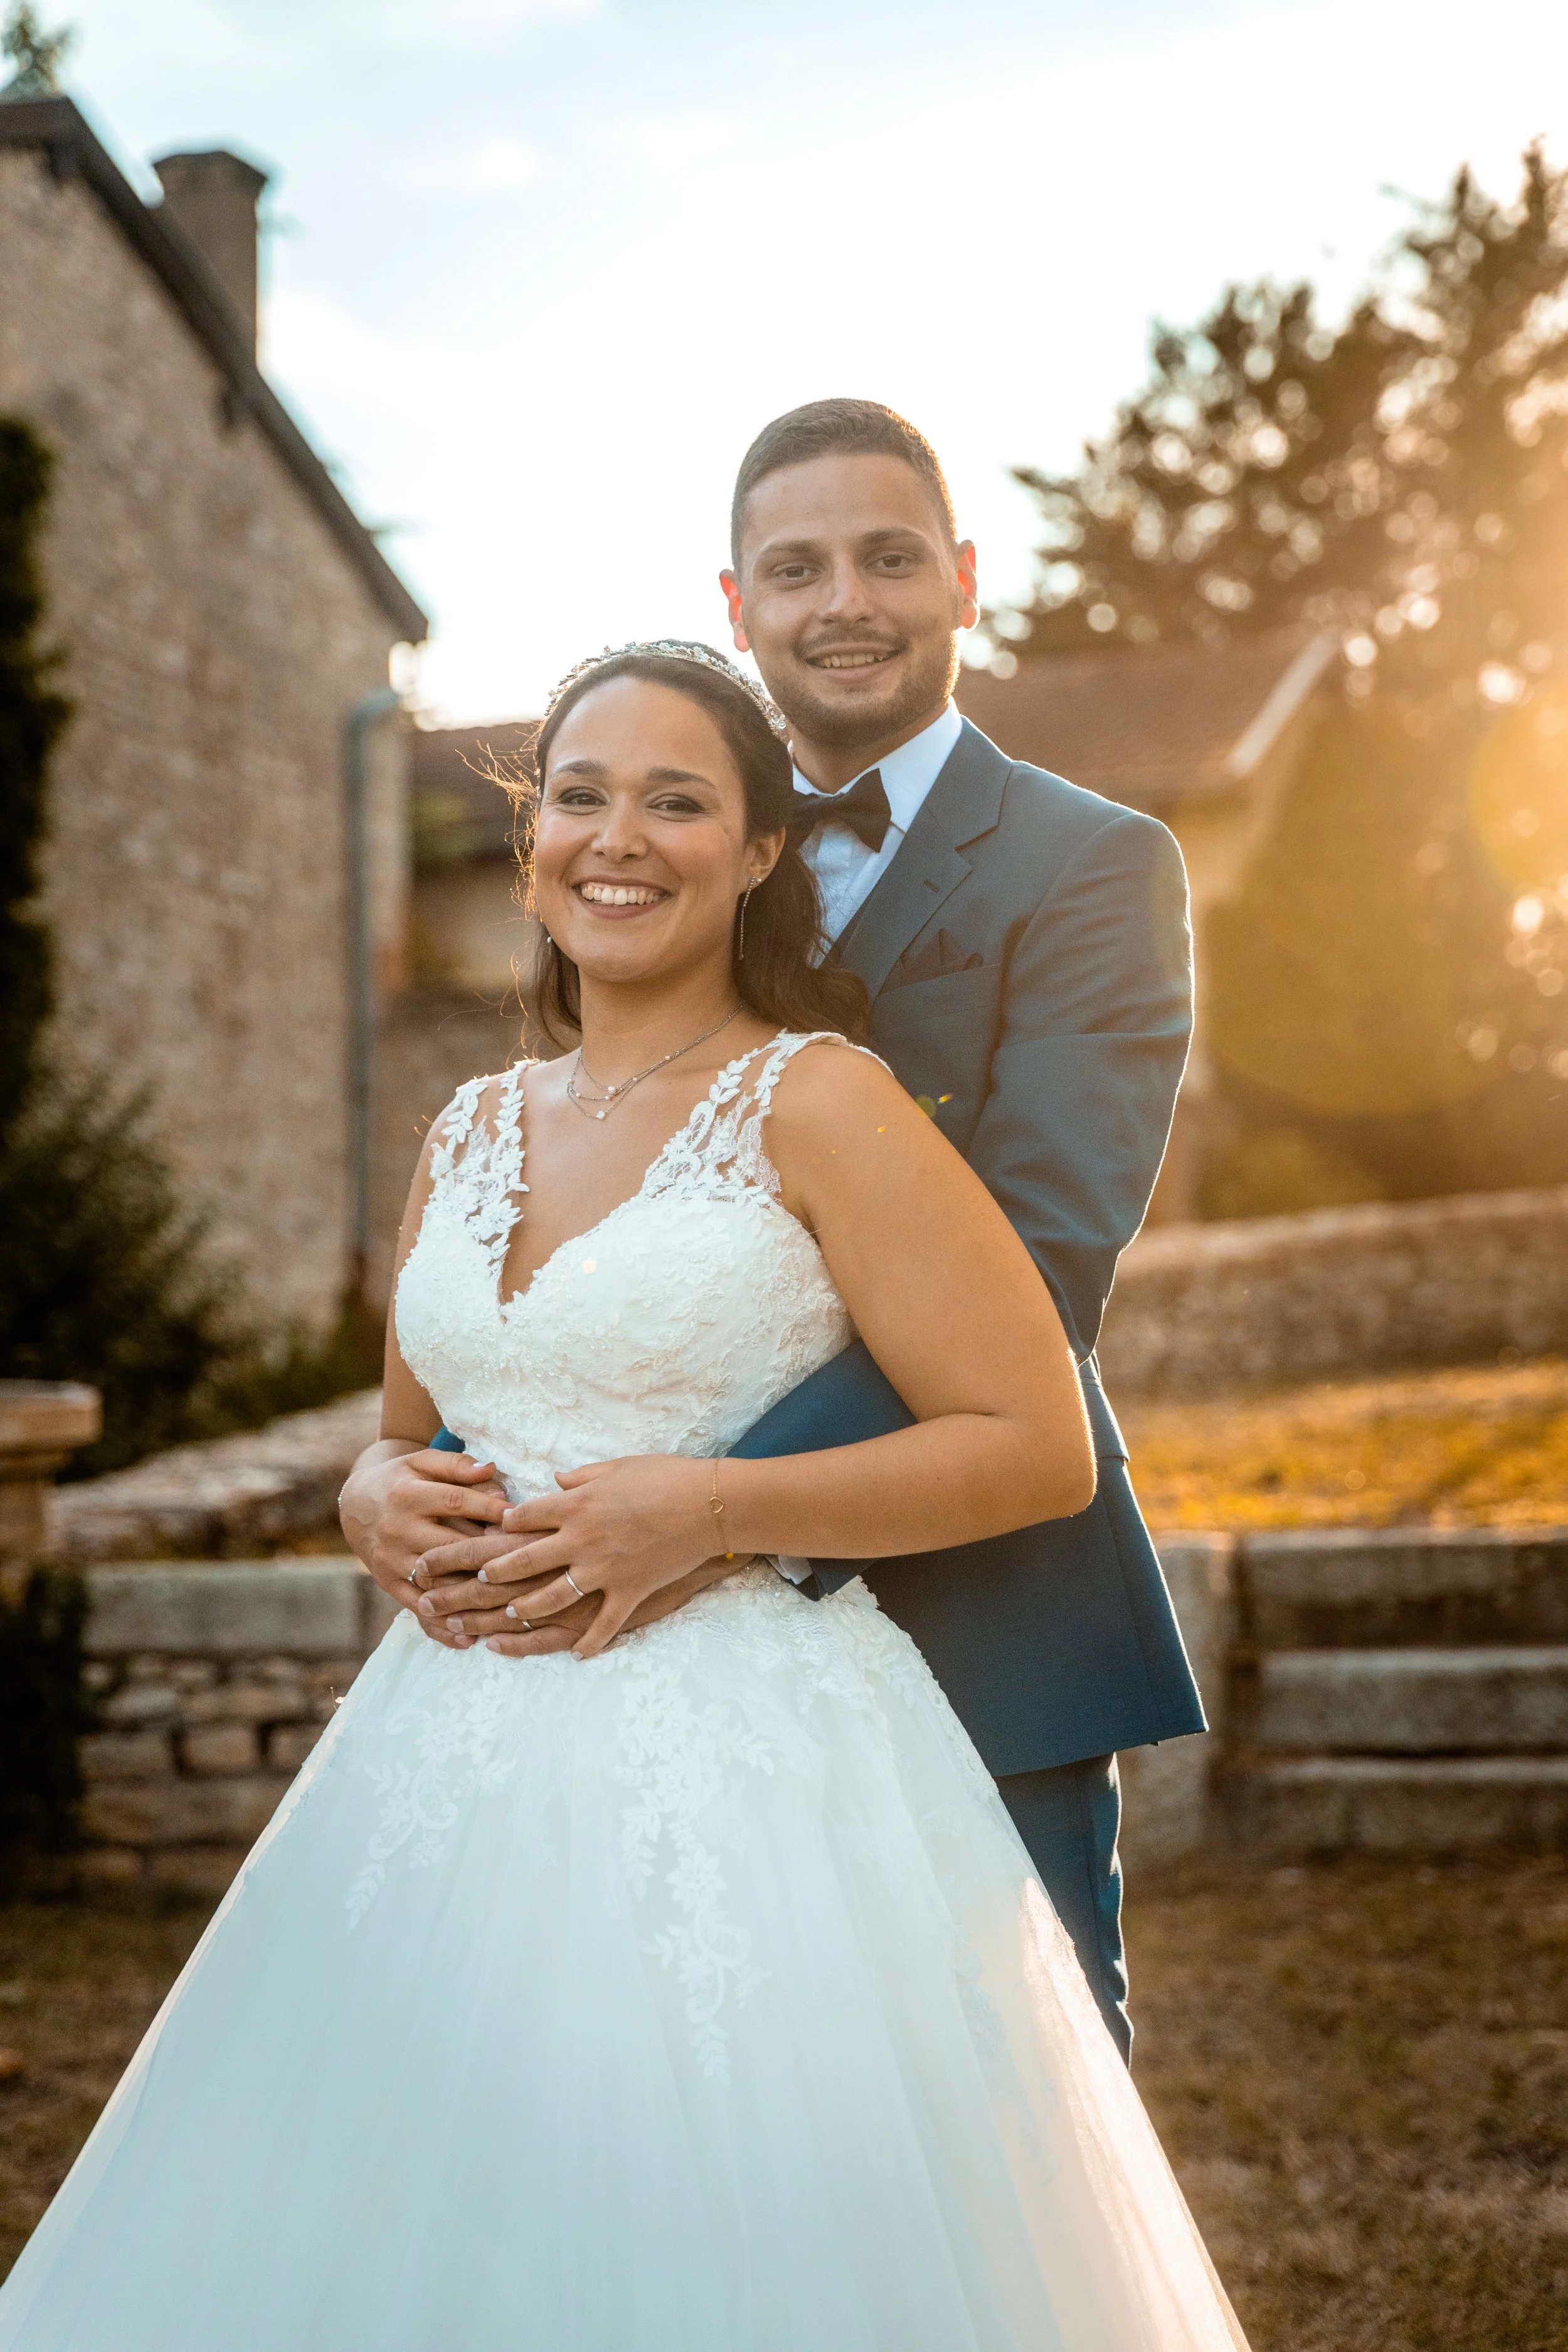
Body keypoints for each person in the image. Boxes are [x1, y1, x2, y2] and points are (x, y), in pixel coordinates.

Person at [0, 640, 1248, 2351]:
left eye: (678, 799)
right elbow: (415, 1428)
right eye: (579, 794)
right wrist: (373, 1488)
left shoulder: (820, 1100)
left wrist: (715, 1510)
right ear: (529, 845)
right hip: (438, 1770)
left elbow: (1036, 1438)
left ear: (755, 852)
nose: (619, 835)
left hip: (747, 1777)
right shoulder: (466, 1125)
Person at [342, 399, 1204, 2059]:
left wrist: (700, 1516)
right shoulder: (669, 851)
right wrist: (408, 1471)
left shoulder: (1089, 868)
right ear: (735, 601)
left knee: (999, 2117)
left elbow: (1041, 1255)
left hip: (968, 1601)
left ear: (961, 580)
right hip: (571, 1645)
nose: (843, 601)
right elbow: (571, 1282)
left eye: (887, 557)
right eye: (792, 566)